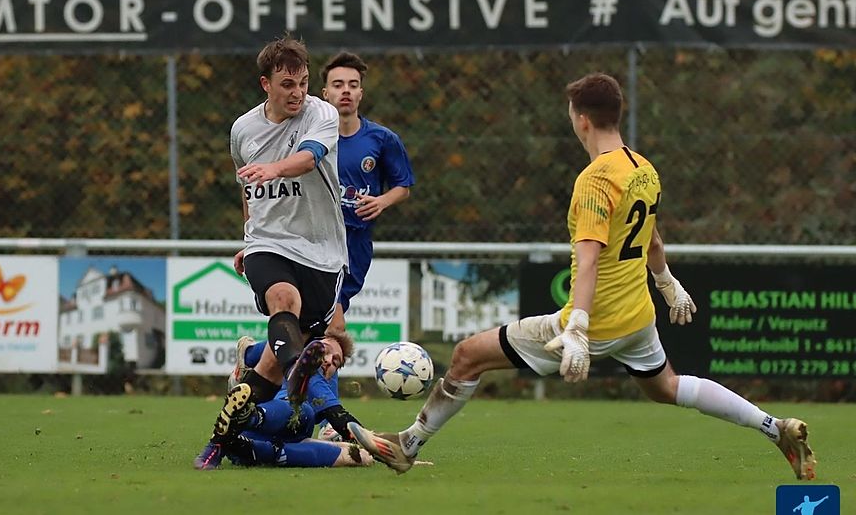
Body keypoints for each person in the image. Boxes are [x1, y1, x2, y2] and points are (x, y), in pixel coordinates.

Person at [349, 73, 817, 482]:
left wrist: (577, 327)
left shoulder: (595, 179)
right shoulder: (643, 168)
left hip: (594, 321)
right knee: (667, 387)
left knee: (467, 355)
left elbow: (588, 259)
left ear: (582, 119)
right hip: (637, 318)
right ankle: (775, 428)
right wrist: (667, 282)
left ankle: (407, 446)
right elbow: (651, 239)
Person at [196, 35, 348, 464]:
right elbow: (248, 187)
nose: (297, 92)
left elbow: (308, 157)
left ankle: (220, 439)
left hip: (322, 252)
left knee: (268, 369)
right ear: (266, 84)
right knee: (284, 299)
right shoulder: (243, 130)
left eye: (302, 82)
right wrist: (250, 237)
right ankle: (299, 368)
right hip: (269, 242)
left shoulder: (323, 113)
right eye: (287, 84)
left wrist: (273, 169)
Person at [319, 52, 415, 336]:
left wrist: (382, 201)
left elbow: (403, 186)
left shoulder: (382, 139)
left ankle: (253, 356)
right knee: (332, 326)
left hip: (356, 243)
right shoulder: (309, 139)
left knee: (315, 327)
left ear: (361, 92)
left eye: (352, 84)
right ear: (325, 94)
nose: (345, 90)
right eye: (337, 85)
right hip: (317, 239)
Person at [195, 333, 374, 469]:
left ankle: (239, 437)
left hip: (249, 444)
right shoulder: (309, 364)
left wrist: (348, 448)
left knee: (348, 454)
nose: (328, 360)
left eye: (336, 361)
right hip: (266, 424)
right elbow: (339, 417)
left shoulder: (324, 379)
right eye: (325, 350)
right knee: (304, 414)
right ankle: (249, 417)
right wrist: (379, 446)